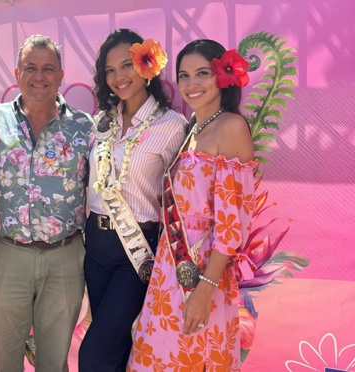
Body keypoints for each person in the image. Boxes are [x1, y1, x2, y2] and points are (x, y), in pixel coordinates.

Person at [127, 39, 256, 371]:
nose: (191, 84)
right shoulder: (191, 130)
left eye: (202, 73)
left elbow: (231, 226)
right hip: (169, 272)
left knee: (194, 358)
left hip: (202, 276)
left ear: (222, 76)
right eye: (183, 76)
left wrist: (204, 290)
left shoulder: (231, 127)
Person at [0, 34, 93, 372]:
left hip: (65, 259)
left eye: (48, 69)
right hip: (8, 257)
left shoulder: (85, 128)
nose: (39, 77)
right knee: (4, 361)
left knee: (54, 362)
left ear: (60, 75)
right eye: (31, 67)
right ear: (16, 73)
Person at [78, 29, 188, 371]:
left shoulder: (173, 126)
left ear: (148, 65)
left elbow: (182, 197)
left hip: (137, 251)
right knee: (115, 349)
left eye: (127, 65)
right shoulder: (101, 124)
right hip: (95, 247)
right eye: (109, 70)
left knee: (93, 354)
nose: (118, 77)